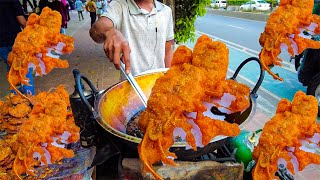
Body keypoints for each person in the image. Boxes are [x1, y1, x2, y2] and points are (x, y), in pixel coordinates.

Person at [89, 0, 174, 79]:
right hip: (130, 86)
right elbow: (96, 29)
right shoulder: (119, 5)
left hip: (159, 82)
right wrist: (109, 32)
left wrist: (170, 79)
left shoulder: (166, 11)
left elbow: (167, 51)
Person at [0, 0, 34, 95]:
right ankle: (29, 100)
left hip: (1, 45)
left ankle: (15, 100)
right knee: (24, 70)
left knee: (11, 71)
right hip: (15, 42)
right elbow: (22, 21)